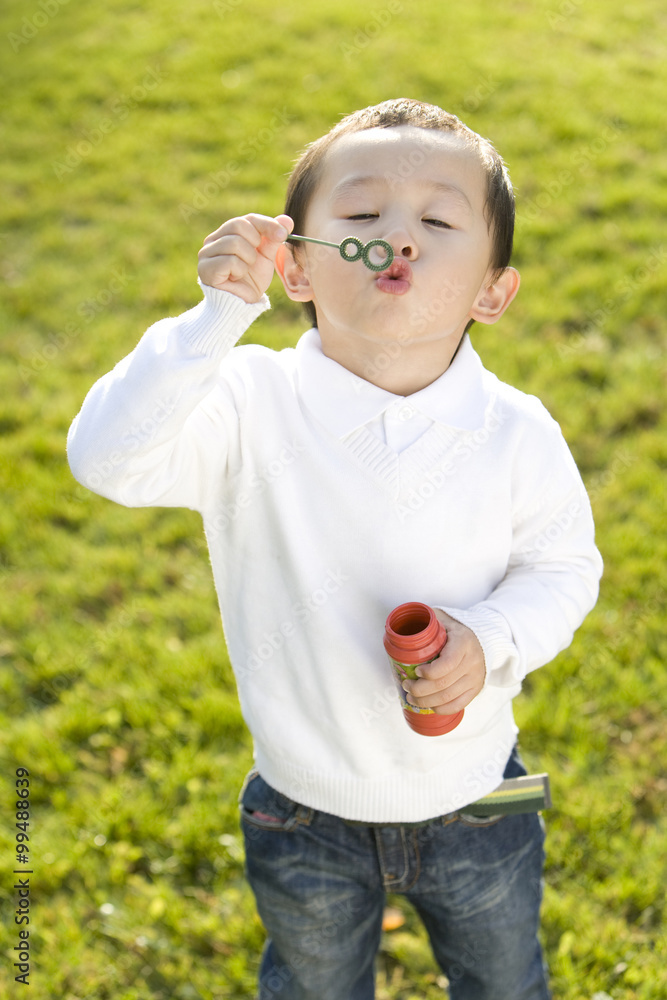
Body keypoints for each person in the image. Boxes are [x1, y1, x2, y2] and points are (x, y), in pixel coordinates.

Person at [67, 98, 603, 999]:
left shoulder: (515, 430)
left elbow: (562, 568)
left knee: (507, 983)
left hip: (477, 798)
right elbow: (107, 461)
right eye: (360, 217)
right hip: (298, 810)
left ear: (491, 292)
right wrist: (212, 320)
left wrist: (490, 640)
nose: (397, 236)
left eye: (436, 220)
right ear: (300, 268)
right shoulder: (243, 400)